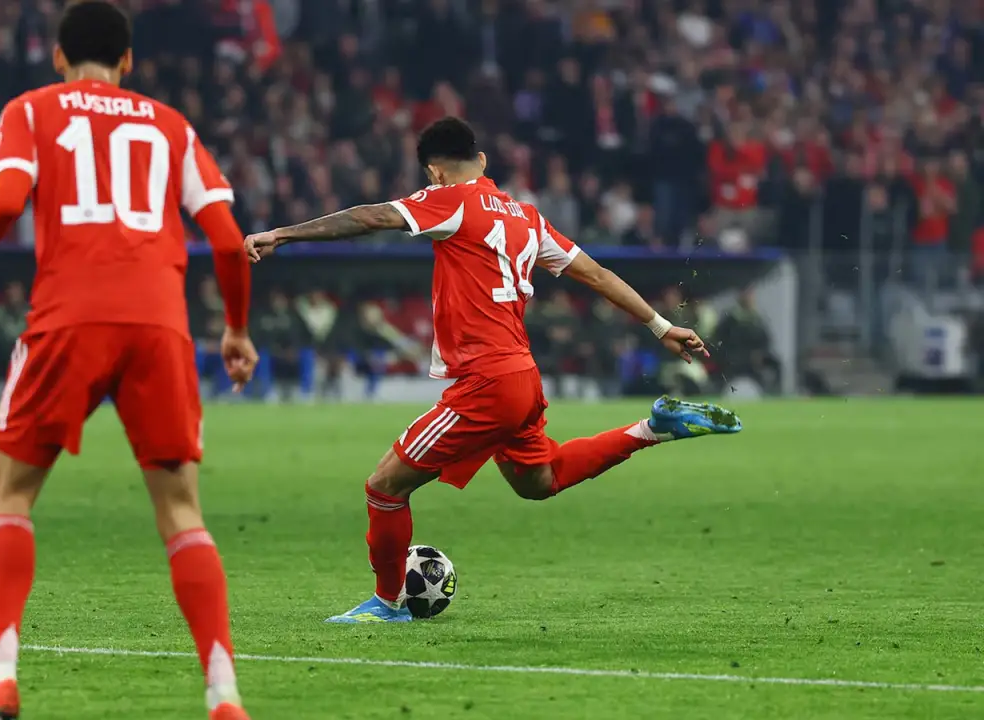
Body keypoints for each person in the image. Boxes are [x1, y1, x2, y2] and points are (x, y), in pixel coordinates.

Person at [0, 4, 257, 719]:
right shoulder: (172, 126)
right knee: (183, 513)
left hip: (68, 319)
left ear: (59, 57)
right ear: (129, 62)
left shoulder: (32, 110)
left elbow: (7, 199)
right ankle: (224, 697)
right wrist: (237, 330)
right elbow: (225, 238)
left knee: (10, 497)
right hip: (160, 326)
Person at [245, 117, 742, 624]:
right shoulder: (527, 216)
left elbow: (372, 217)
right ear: (482, 161)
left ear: (434, 173)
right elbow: (595, 273)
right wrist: (661, 326)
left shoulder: (448, 200)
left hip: (486, 382)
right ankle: (652, 428)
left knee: (385, 487)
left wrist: (285, 233)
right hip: (523, 375)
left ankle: (389, 603)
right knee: (538, 481)